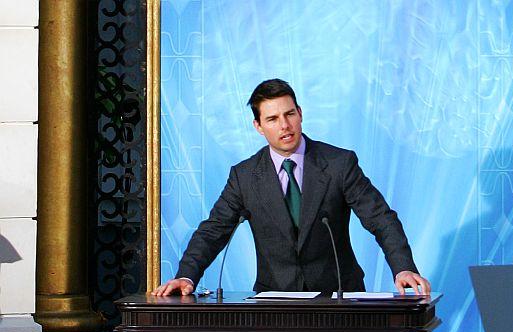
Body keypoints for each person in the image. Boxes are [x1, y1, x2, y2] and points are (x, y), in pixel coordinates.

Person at [153, 79, 430, 296]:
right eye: (272, 119)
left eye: (289, 114)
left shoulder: (338, 164)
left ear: (300, 113)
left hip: (339, 298)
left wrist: (403, 267)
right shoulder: (245, 176)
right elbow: (213, 231)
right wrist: (187, 275)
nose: (284, 125)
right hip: (275, 301)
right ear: (258, 126)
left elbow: (380, 218)